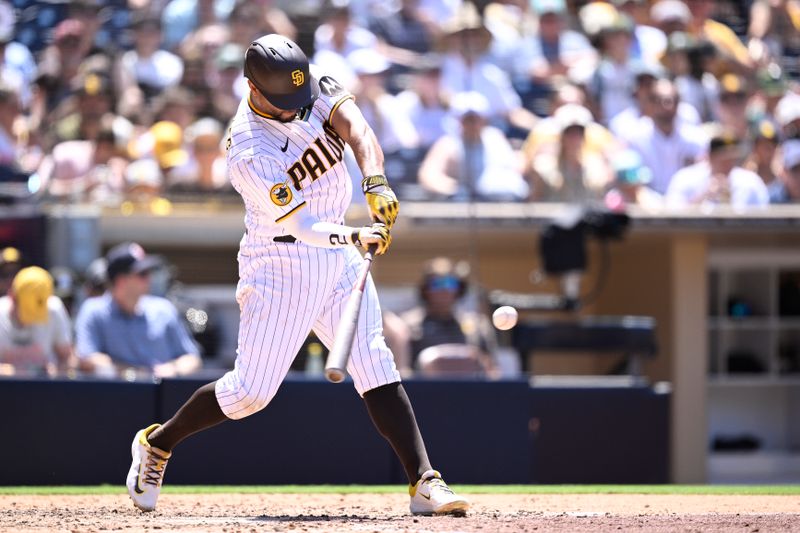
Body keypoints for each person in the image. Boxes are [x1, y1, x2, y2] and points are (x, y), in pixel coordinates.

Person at [125, 34, 469, 517]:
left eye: (298, 98)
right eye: (282, 102)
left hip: (340, 257)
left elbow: (357, 127)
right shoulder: (248, 150)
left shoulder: (310, 87)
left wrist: (376, 181)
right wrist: (354, 235)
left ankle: (424, 482)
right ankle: (158, 444)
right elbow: (302, 226)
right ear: (251, 87)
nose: (294, 108)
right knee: (250, 393)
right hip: (281, 264)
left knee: (375, 363)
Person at [74, 242, 202, 378]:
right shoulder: (94, 310)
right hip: (116, 394)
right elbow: (86, 358)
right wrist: (134, 373)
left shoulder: (164, 309)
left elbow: (192, 358)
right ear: (121, 281)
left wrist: (173, 368)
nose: (149, 278)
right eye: (142, 273)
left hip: (163, 395)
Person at [396, 257, 497, 377]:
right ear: (426, 289)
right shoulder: (406, 326)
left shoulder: (478, 325)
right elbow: (402, 370)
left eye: (450, 283)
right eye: (437, 284)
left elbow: (492, 369)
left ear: (459, 289)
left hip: (471, 391)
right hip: (423, 392)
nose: (445, 289)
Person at [0, 266, 74, 377]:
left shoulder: (54, 310)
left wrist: (56, 371)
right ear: (12, 298)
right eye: (28, 312)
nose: (30, 321)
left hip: (45, 390)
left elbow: (67, 358)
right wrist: (9, 372)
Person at [666, 130, 770, 208]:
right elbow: (672, 217)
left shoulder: (750, 182)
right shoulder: (685, 178)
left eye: (732, 159)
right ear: (710, 157)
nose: (728, 164)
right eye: (722, 159)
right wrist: (704, 196)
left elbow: (765, 216)